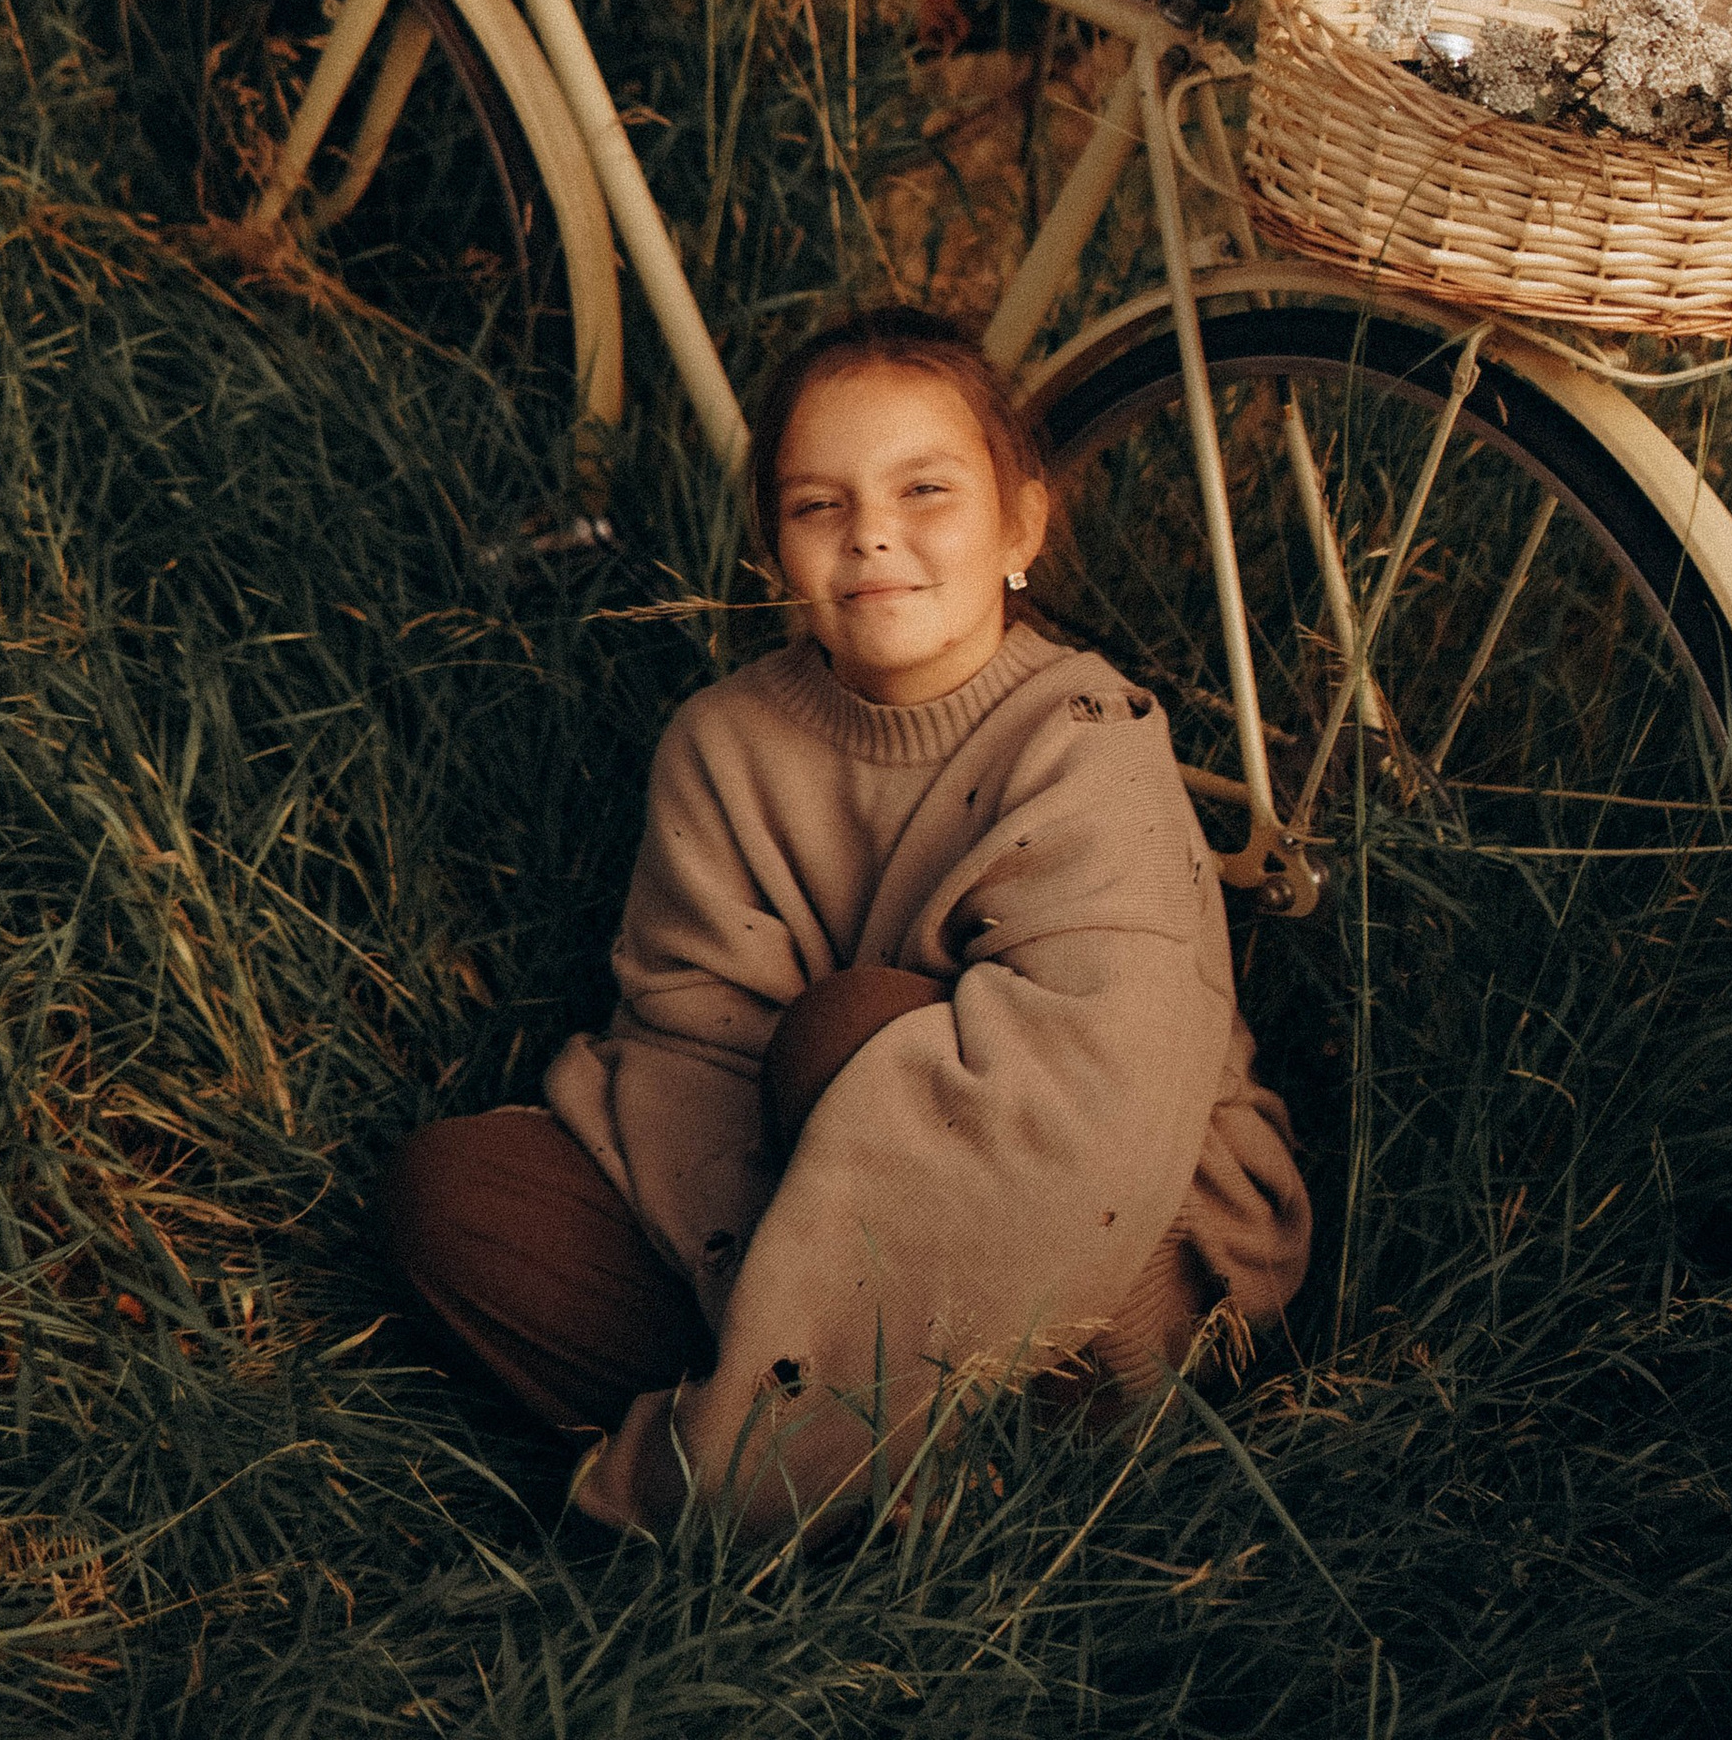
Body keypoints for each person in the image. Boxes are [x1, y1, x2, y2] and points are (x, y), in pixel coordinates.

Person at [380, 305, 1312, 1538]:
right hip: (801, 1207)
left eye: (925, 489)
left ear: (1020, 526)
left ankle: (774, 1473)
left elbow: (1091, 1113)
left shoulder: (1089, 737)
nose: (871, 531)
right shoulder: (722, 744)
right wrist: (777, 1277)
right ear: (775, 548)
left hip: (1110, 1255)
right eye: (818, 504)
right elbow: (687, 1051)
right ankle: (849, 1442)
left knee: (849, 1030)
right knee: (452, 1197)